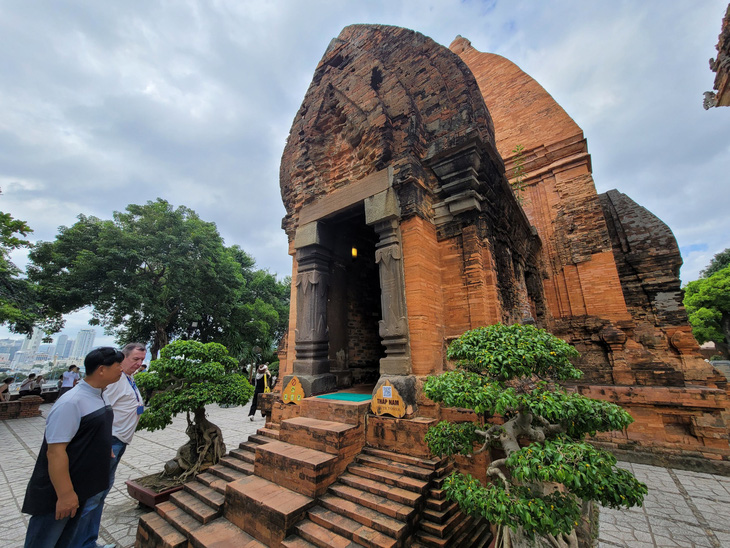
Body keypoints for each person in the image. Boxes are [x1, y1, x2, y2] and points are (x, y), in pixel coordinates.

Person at [22, 347, 124, 548]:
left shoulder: (99, 395)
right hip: (60, 491)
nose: (122, 369)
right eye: (118, 365)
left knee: (67, 541)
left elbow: (92, 432)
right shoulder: (71, 401)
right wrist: (65, 494)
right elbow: (55, 451)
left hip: (83, 486)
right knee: (45, 540)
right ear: (101, 369)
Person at [71, 342, 146, 548]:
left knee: (101, 493)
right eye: (135, 359)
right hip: (108, 442)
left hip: (118, 441)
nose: (139, 364)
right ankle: (80, 544)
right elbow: (100, 413)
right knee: (92, 496)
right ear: (123, 358)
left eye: (142, 360)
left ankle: (88, 541)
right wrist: (102, 444)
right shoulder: (114, 380)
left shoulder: (128, 379)